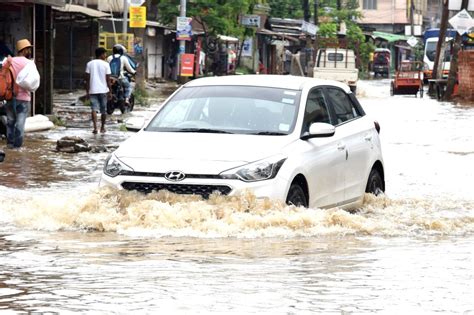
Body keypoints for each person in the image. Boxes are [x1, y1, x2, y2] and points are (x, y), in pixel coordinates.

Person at [3, 39, 37, 148]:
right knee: (20, 123)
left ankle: (10, 145)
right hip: (23, 98)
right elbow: (33, 81)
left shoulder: (8, 61)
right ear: (24, 50)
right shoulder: (29, 63)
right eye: (28, 49)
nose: (30, 51)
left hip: (9, 97)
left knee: (10, 121)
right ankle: (18, 147)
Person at [85, 47, 112, 134]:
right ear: (101, 54)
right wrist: (110, 91)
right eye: (105, 54)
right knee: (103, 110)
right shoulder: (106, 64)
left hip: (92, 90)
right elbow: (108, 80)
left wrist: (87, 91)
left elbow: (87, 79)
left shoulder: (89, 64)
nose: (105, 55)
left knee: (93, 109)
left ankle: (95, 128)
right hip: (103, 90)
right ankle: (103, 128)